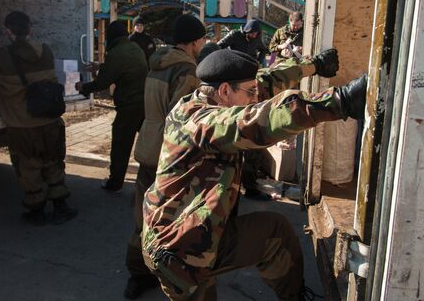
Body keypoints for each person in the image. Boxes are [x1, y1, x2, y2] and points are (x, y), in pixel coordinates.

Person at [141, 49, 366, 300]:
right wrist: (340, 100)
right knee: (270, 237)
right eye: (250, 93)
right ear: (225, 90)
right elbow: (255, 121)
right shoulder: (198, 120)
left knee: (274, 233)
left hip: (199, 231)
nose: (256, 98)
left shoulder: (221, 97)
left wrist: (313, 65)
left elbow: (267, 80)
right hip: (178, 249)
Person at [124, 14, 206, 299]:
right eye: (202, 39)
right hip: (168, 156)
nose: (203, 44)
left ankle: (136, 275)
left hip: (147, 146)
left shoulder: (156, 63)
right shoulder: (186, 70)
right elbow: (182, 119)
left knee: (140, 218)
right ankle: (171, 279)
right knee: (169, 221)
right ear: (194, 41)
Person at [0, 11, 77, 225]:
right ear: (30, 30)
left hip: (22, 125)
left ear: (8, 31)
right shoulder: (45, 51)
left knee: (28, 167)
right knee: (54, 162)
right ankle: (60, 207)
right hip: (51, 121)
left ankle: (36, 211)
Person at [76, 21, 148, 192]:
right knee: (148, 142)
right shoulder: (135, 48)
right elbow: (125, 68)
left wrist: (83, 87)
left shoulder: (115, 53)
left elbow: (102, 82)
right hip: (144, 104)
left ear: (111, 36)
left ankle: (115, 183)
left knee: (121, 146)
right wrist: (102, 66)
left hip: (128, 106)